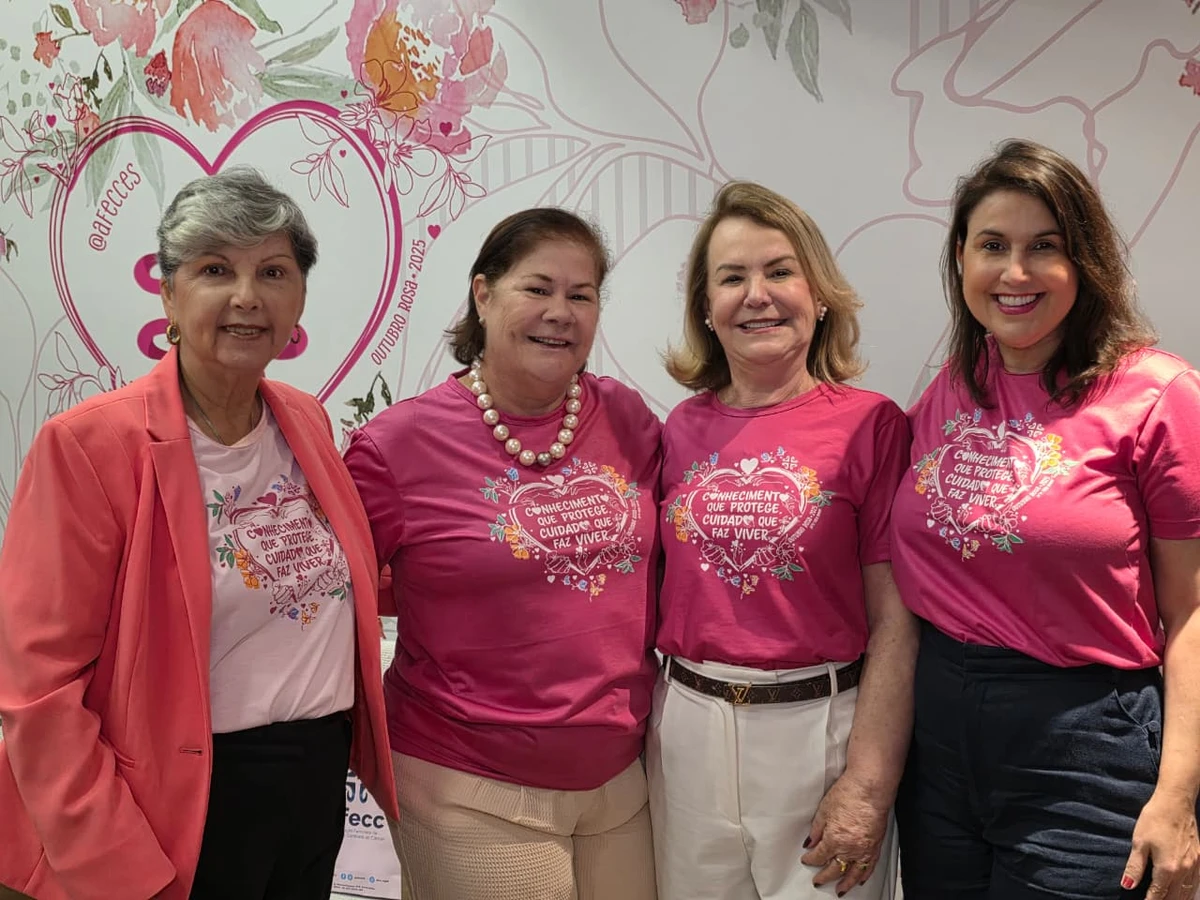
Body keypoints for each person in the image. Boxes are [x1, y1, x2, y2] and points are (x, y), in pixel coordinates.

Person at [0, 167, 398, 900]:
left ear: (299, 297)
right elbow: (38, 693)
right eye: (216, 269)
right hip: (181, 801)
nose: (247, 296)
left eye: (273, 271)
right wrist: (119, 868)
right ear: (169, 294)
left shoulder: (304, 419)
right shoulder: (88, 446)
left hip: (314, 783)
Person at [890, 138, 1200, 899]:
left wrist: (1179, 795)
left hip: (1083, 742)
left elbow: (1193, 609)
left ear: (1082, 263)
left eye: (1044, 248)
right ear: (961, 257)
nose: (1015, 272)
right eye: (993, 245)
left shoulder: (1159, 395)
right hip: (938, 746)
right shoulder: (952, 389)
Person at [342, 208, 661, 900]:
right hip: (468, 784)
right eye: (537, 288)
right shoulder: (398, 447)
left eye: (582, 295)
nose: (560, 312)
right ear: (483, 295)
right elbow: (334, 605)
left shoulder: (631, 421)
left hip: (619, 782)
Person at [649, 180, 917, 900]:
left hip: (820, 733)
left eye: (779, 271)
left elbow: (896, 620)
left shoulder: (873, 425)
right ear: (706, 309)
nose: (756, 294)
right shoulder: (676, 431)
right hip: (687, 731)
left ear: (820, 293)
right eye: (731, 277)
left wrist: (867, 783)